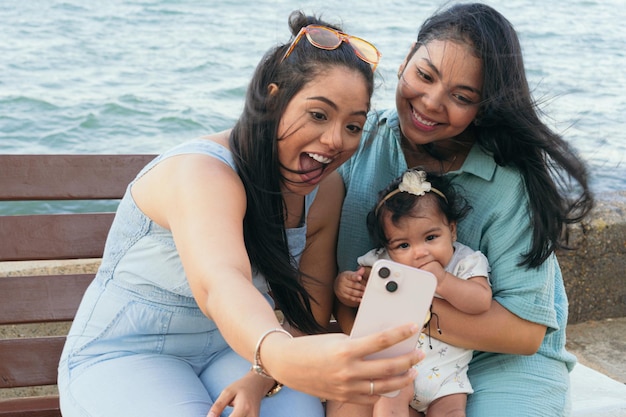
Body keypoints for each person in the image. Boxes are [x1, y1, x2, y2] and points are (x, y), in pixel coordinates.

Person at [57, 11, 427, 417]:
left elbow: (312, 309)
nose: (335, 140)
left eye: (353, 126)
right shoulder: (202, 172)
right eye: (319, 115)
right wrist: (278, 356)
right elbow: (221, 282)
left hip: (233, 350)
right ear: (272, 98)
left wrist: (262, 374)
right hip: (128, 352)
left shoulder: (325, 192)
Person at [328, 3, 594, 417]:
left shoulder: (509, 182)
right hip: (384, 347)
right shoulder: (357, 143)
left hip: (498, 360)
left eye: (462, 96)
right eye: (425, 75)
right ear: (407, 59)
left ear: (483, 106)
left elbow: (523, 335)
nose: (432, 102)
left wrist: (408, 303)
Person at [334, 168, 491, 417]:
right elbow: (359, 286)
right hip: (397, 368)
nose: (419, 252)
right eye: (403, 245)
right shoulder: (384, 263)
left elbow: (481, 301)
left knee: (451, 413)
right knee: (388, 408)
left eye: (430, 237)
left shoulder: (465, 262)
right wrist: (344, 287)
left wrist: (443, 281)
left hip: (448, 379)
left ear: (452, 230)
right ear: (387, 246)